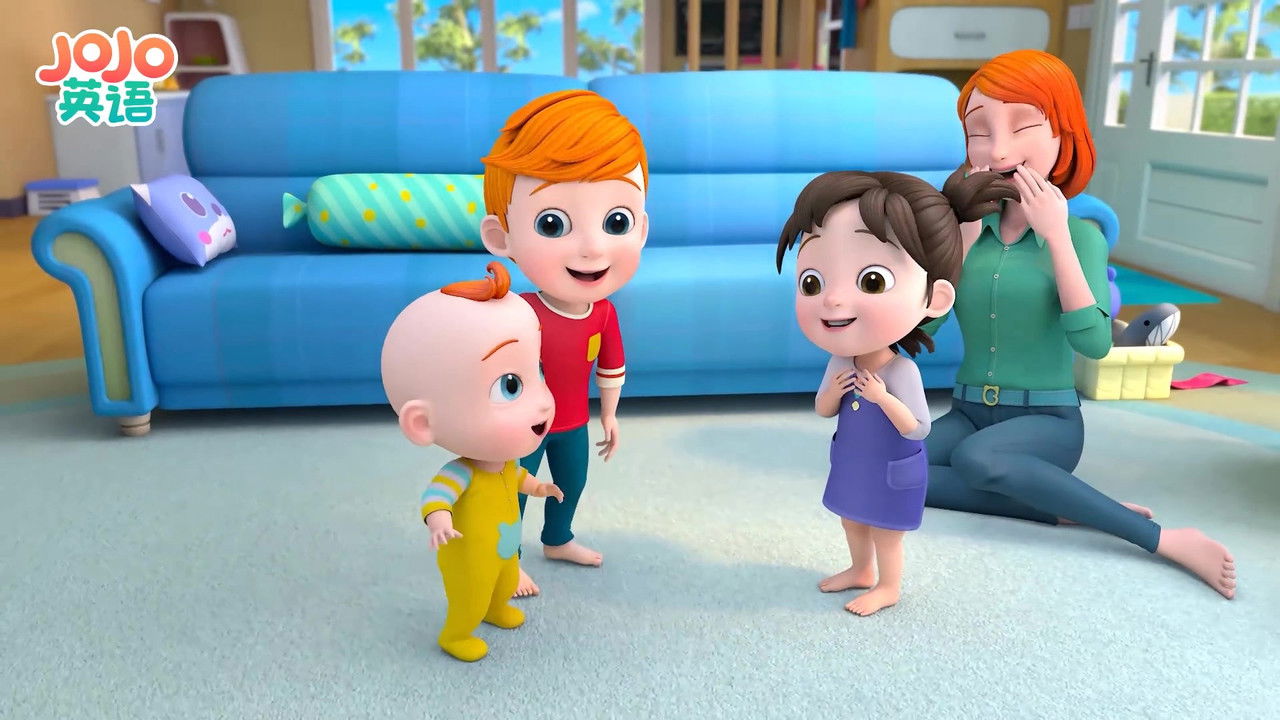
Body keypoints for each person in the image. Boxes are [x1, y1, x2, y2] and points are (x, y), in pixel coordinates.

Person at [923, 49, 1236, 599]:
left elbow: (1093, 343)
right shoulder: (967, 230)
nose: (999, 150)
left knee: (977, 460)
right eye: (979, 132)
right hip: (969, 410)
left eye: (1021, 127)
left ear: (1062, 135)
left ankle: (1160, 538)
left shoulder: (1082, 237)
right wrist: (961, 242)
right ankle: (1055, 504)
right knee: (882, 468)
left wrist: (1057, 235)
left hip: (1045, 421)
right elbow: (928, 326)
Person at [776, 169, 1012, 615]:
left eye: (871, 280)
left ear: (935, 299)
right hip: (852, 462)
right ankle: (859, 569)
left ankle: (889, 586)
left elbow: (919, 428)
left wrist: (882, 398)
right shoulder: (840, 362)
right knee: (851, 518)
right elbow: (823, 409)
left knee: (887, 531)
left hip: (891, 468)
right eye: (813, 283)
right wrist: (836, 391)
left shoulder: (901, 371)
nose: (832, 301)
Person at [480, 90, 649, 597]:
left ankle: (558, 539)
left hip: (574, 422)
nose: (593, 248)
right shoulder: (519, 311)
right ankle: (505, 559)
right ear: (501, 237)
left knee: (570, 484)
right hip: (523, 428)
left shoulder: (603, 313)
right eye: (552, 224)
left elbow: (611, 368)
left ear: (642, 228)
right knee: (513, 493)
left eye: (616, 222)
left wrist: (610, 415)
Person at [381, 262, 565, 662]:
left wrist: (539, 487)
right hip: (468, 555)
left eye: (537, 372)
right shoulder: (462, 472)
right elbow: (436, 497)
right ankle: (456, 634)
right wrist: (440, 521)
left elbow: (518, 478)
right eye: (510, 386)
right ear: (422, 423)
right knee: (471, 595)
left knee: (503, 581)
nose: (542, 402)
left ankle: (498, 608)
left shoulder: (505, 464)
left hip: (504, 548)